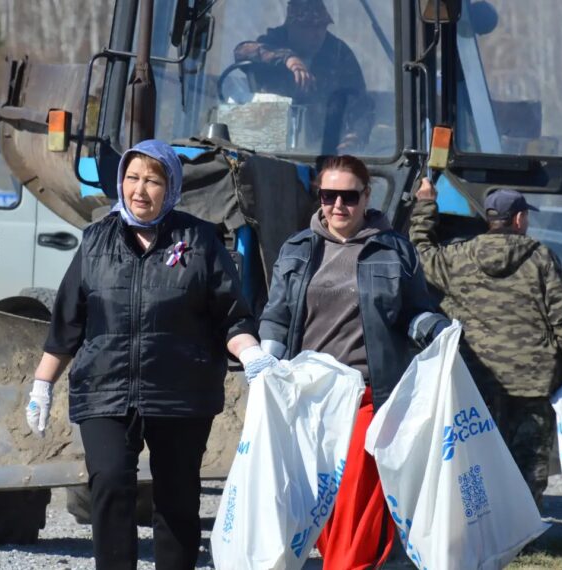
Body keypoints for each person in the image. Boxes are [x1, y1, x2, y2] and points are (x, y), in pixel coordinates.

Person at [24, 139, 277, 570]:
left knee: (177, 499)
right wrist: (41, 385)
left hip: (180, 394)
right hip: (105, 389)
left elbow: (232, 316)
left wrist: (252, 355)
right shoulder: (95, 242)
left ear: (172, 186)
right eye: (132, 178)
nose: (139, 190)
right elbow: (67, 323)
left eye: (153, 180)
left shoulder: (198, 241)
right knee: (109, 484)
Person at [259, 155, 449, 568]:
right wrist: (267, 357)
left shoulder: (394, 250)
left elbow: (415, 309)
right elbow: (277, 314)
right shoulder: (296, 249)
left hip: (366, 395)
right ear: (319, 198)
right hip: (307, 397)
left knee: (353, 496)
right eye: (329, 196)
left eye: (349, 196)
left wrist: (434, 329)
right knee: (319, 506)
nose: (338, 206)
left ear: (367, 197)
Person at [408, 178, 562, 508]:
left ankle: (485, 529)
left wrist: (425, 205)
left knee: (478, 455)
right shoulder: (541, 259)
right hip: (532, 381)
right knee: (529, 461)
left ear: (491, 219)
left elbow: (421, 252)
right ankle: (524, 530)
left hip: (477, 380)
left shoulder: (458, 258)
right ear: (518, 219)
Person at [233, 0, 374, 153]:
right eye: (309, 27)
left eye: (322, 27)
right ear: (291, 27)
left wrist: (356, 136)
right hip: (268, 147)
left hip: (323, 150)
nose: (317, 34)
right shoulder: (274, 42)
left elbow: (361, 102)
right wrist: (288, 58)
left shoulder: (338, 52)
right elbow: (242, 51)